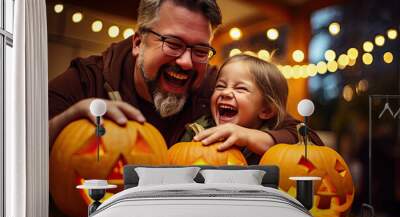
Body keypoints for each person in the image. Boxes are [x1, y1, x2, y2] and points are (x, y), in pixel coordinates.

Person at [49, 0, 322, 151]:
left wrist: (264, 139)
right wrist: (69, 120)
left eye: (200, 49)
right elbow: (16, 145)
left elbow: (308, 142)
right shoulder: (87, 80)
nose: (187, 62)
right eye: (173, 44)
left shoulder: (216, 89)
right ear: (137, 43)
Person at [181, 54, 323, 164]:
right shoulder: (198, 130)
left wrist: (249, 137)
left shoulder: (275, 128)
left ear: (266, 110)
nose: (225, 92)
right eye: (220, 86)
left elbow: (314, 145)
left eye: (241, 88)